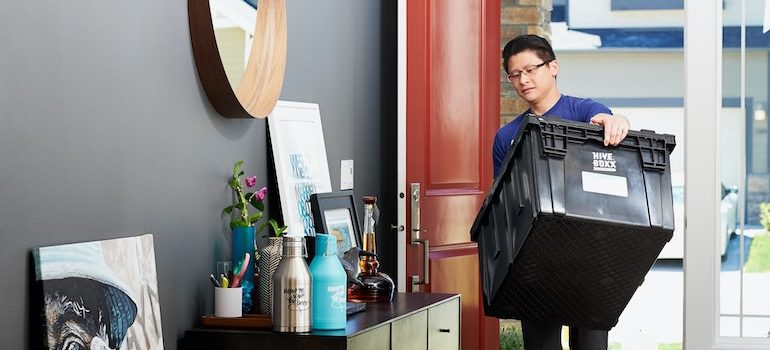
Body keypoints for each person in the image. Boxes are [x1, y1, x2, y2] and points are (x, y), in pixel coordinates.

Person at [493, 34, 631, 349]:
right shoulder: (506, 137)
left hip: (591, 259)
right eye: (515, 74)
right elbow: (502, 203)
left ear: (553, 67)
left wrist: (616, 120)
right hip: (536, 263)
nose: (523, 79)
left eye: (531, 69)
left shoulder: (585, 112)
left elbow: (609, 122)